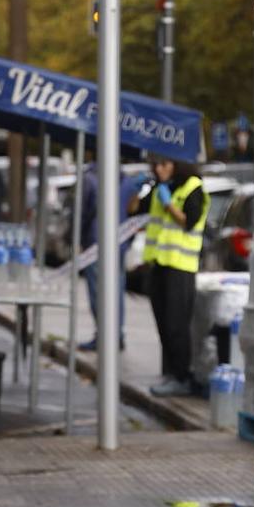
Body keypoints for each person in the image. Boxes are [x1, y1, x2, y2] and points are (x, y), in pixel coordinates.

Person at [133, 156, 208, 396]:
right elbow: (133, 210)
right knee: (163, 323)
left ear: (178, 164)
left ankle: (181, 377)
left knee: (177, 325)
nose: (159, 169)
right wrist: (135, 190)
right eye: (156, 165)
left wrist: (169, 205)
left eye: (164, 164)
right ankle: (169, 373)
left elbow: (189, 222)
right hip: (158, 264)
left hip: (181, 267)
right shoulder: (158, 188)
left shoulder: (193, 187)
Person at [76, 155, 147, 352]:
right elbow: (134, 212)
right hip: (119, 244)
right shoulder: (126, 180)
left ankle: (104, 336)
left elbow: (82, 212)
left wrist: (78, 240)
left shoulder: (90, 178)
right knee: (117, 291)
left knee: (98, 292)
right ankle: (117, 335)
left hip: (95, 244)